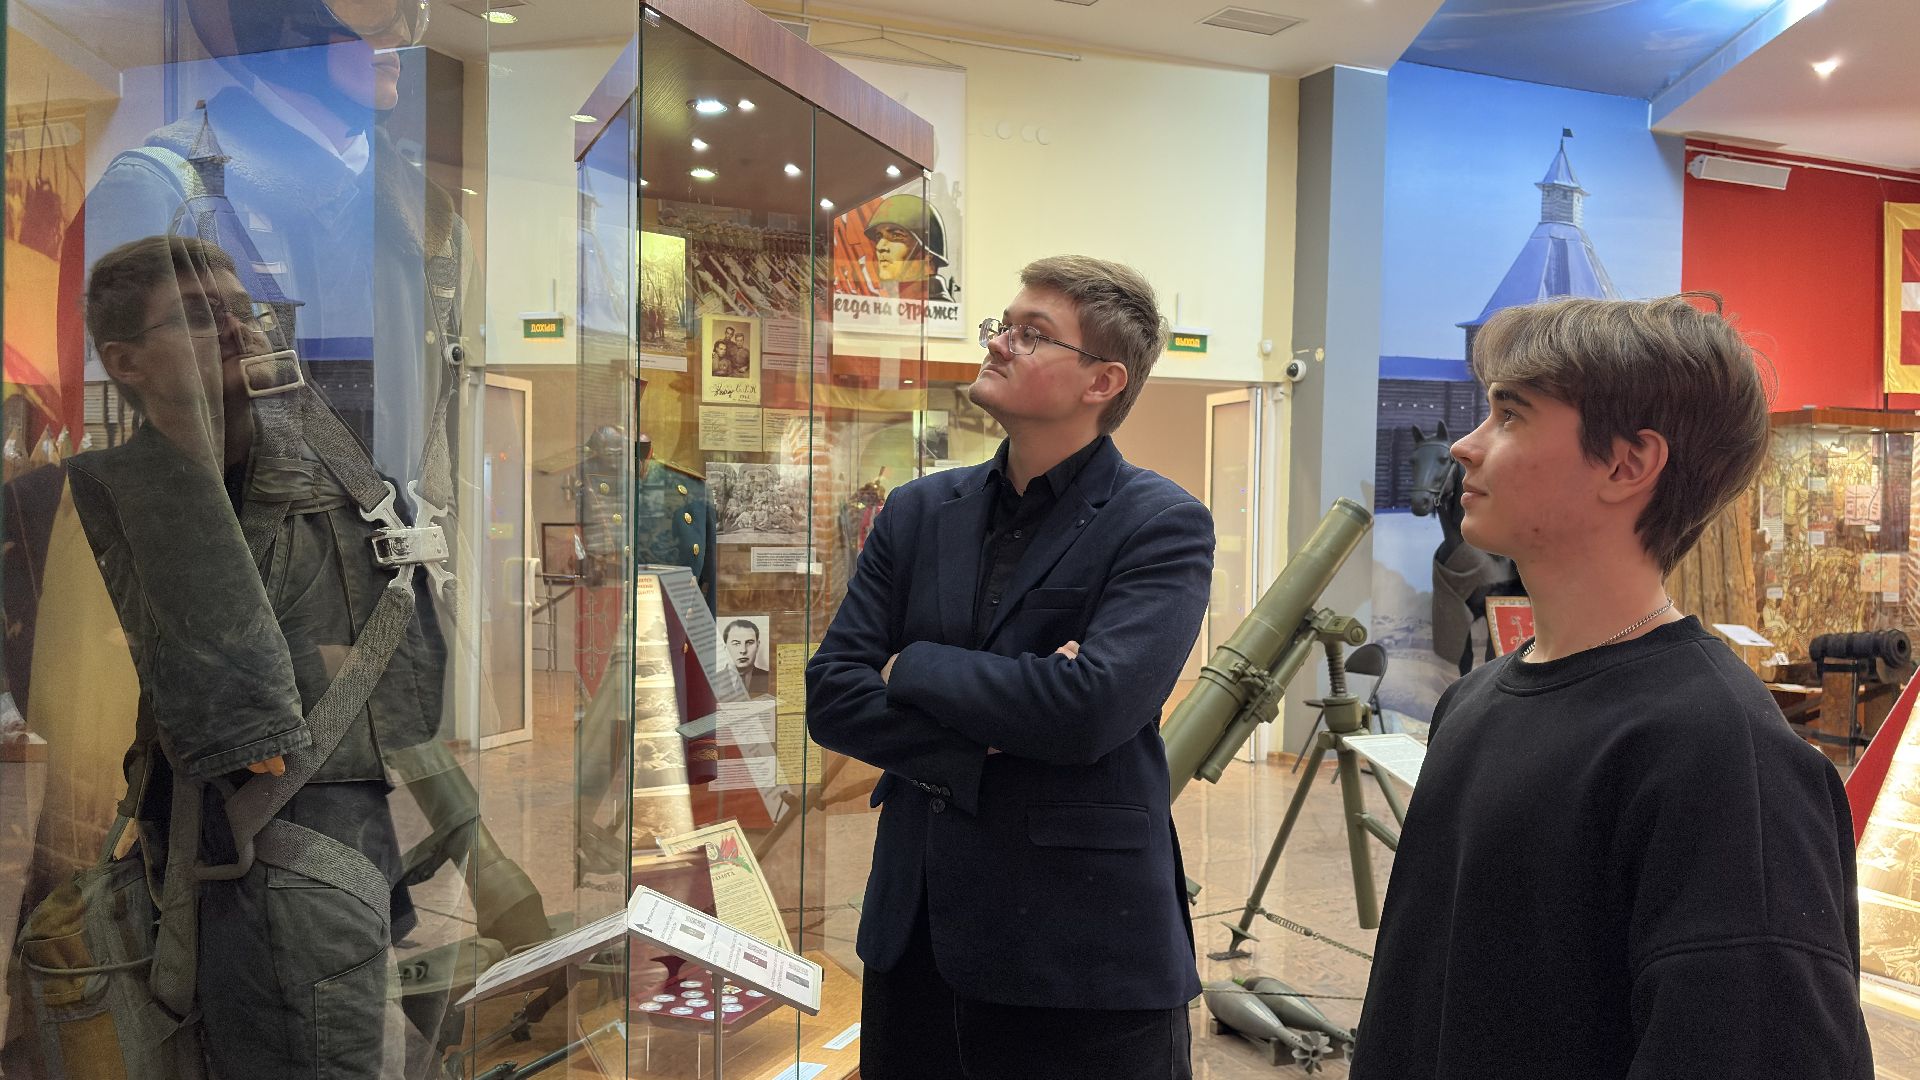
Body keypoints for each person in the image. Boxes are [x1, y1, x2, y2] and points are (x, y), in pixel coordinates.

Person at [1351, 295, 1871, 1079]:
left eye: (1511, 416)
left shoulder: (1722, 756)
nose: (1464, 445)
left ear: (1628, 464)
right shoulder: (1474, 702)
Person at [806, 255, 1213, 1080]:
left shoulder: (1161, 523)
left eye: (1032, 334)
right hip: (915, 935)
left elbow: (1087, 709)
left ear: (1102, 380)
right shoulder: (918, 511)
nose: (996, 343)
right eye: (1003, 325)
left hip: (1081, 951)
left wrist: (911, 665)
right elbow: (832, 694)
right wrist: (990, 732)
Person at [724, 619, 771, 698]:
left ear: (757, 646)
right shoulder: (712, 680)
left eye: (749, 643)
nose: (743, 650)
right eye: (736, 643)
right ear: (725, 648)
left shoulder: (770, 678)